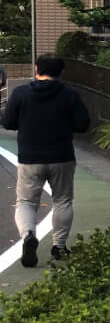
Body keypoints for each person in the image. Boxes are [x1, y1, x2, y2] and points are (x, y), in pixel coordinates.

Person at [1, 54, 90, 267]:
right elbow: (83, 124)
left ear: (36, 69)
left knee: (26, 202)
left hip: (30, 157)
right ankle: (59, 246)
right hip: (62, 156)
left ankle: (28, 235)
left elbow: (8, 122)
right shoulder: (70, 94)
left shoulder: (21, 93)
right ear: (60, 72)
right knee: (63, 200)